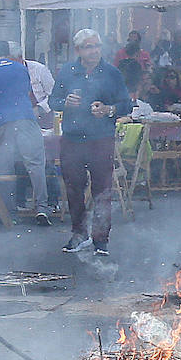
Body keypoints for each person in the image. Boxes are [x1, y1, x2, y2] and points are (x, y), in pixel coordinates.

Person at [49, 29, 132, 257]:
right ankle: (79, 234)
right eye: (88, 47)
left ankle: (101, 239)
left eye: (96, 46)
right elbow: (53, 101)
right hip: (72, 139)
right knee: (73, 188)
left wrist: (108, 110)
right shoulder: (68, 71)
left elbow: (126, 104)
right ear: (78, 50)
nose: (94, 51)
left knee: (102, 190)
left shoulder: (112, 73)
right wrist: (65, 102)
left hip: (101, 139)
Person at [0, 40, 51, 225]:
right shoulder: (21, 69)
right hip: (27, 121)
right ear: (8, 54)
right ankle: (42, 208)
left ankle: (9, 214)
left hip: (2, 125)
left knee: (4, 169)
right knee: (35, 165)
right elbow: (27, 96)